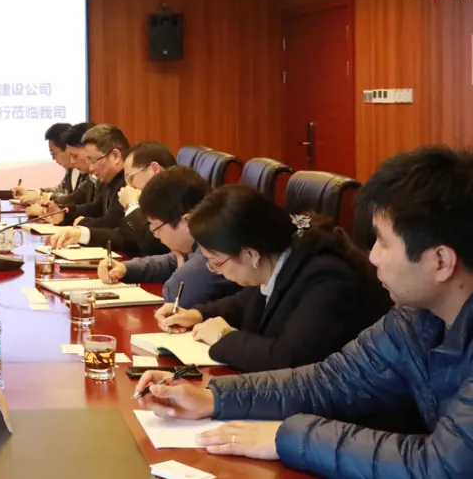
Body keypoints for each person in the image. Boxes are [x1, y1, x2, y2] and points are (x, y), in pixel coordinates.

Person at [133, 146, 473, 477]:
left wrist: (286, 437)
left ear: (441, 261)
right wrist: (213, 397)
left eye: (383, 243)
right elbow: (330, 380)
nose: (372, 257)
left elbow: (438, 466)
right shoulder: (414, 317)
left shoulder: (333, 276)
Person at [151, 185, 391, 372]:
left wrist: (224, 336)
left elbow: (288, 359)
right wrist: (196, 315)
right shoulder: (277, 257)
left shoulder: (327, 278)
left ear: (250, 254)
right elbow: (243, 303)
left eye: (216, 262)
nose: (215, 270)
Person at [100, 166, 238, 307]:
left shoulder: (216, 248)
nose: (156, 235)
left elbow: (175, 295)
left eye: (157, 228)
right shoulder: (202, 238)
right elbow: (171, 261)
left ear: (187, 221)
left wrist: (180, 274)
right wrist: (125, 269)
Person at [51, 141, 175, 256]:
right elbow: (124, 238)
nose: (128, 186)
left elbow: (153, 246)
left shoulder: (176, 197)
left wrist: (132, 205)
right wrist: (81, 234)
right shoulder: (150, 200)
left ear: (154, 169)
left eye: (131, 178)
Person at [37, 124, 130, 230]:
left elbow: (113, 222)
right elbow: (96, 208)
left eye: (93, 160)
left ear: (115, 156)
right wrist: (64, 213)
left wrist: (83, 223)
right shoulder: (109, 179)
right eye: (88, 160)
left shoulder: (128, 181)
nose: (91, 167)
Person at [11, 122, 73, 201]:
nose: (53, 158)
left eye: (53, 153)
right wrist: (32, 193)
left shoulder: (84, 172)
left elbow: (72, 198)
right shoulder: (71, 169)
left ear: (68, 149)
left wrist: (43, 196)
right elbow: (60, 190)